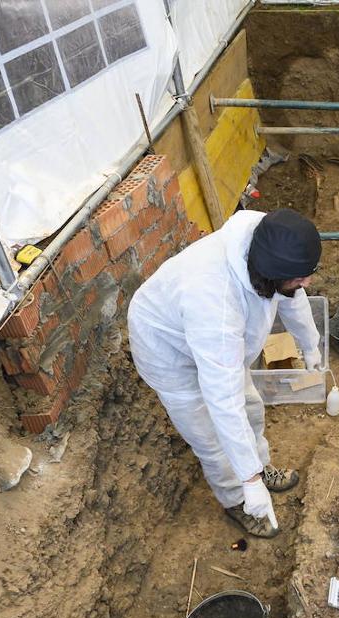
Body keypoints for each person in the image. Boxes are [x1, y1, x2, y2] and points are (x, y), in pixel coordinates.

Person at [127, 209, 323, 538]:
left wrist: (311, 344)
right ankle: (237, 499)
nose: (308, 282)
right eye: (301, 276)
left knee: (251, 406)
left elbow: (292, 296)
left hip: (215, 341)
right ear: (271, 274)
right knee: (211, 437)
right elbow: (223, 401)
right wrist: (247, 481)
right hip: (169, 352)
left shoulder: (270, 243)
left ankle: (261, 468)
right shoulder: (213, 300)